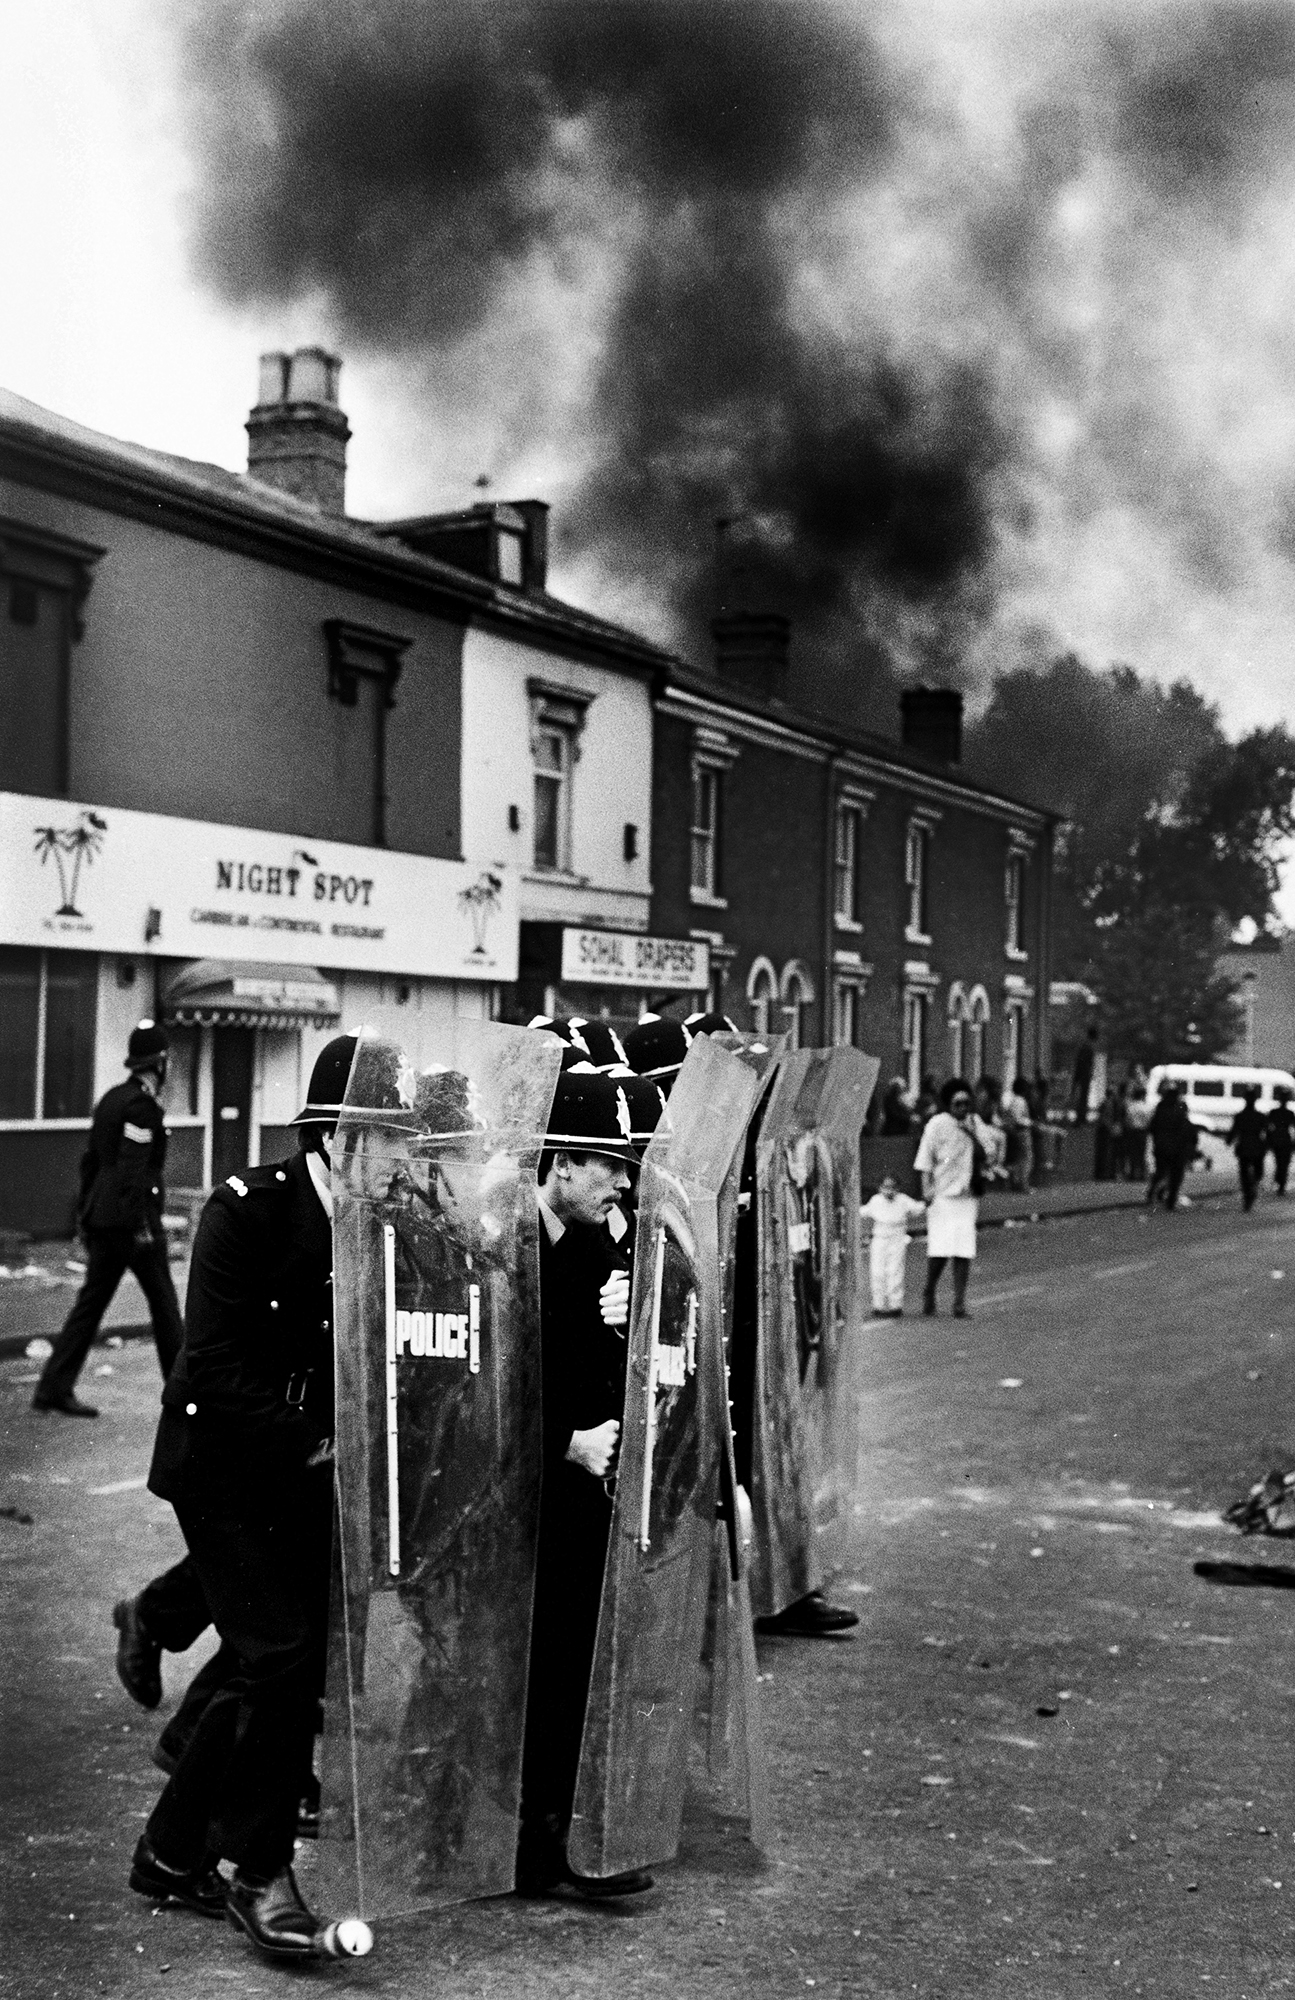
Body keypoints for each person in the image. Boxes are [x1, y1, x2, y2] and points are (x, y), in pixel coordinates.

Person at [129, 1034, 355, 1961]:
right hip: (224, 1470)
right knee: (283, 1656)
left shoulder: (383, 1224)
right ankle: (258, 1875)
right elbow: (212, 1363)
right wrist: (315, 1438)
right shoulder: (247, 1211)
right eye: (388, 1144)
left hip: (309, 1475)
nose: (405, 1163)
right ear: (336, 1137)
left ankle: (171, 1852)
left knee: (261, 1665)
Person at [517, 1067, 652, 1901]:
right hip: (520, 1488)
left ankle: (553, 1837)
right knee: (528, 1664)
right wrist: (562, 1441)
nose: (622, 1180)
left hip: (578, 1491)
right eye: (606, 1162)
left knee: (570, 1658)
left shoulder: (599, 1234)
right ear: (559, 1162)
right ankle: (526, 1845)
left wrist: (632, 1317)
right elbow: (471, 1385)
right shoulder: (499, 1239)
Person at [33, 1021, 183, 1417]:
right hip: (133, 1226)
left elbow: (91, 1164)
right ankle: (186, 1397)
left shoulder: (112, 1100)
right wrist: (142, 1227)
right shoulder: (141, 1108)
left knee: (90, 1306)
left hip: (103, 1221)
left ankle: (53, 1387)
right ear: (160, 1063)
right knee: (166, 1308)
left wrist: (85, 1216)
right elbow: (133, 1172)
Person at [913, 1079, 1003, 1318]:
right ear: (948, 1104)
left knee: (963, 1250)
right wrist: (926, 1190)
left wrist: (974, 1134)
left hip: (967, 1196)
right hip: (942, 1196)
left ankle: (959, 1302)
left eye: (966, 1103)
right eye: (958, 1103)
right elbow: (924, 1159)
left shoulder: (975, 1123)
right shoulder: (937, 1124)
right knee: (940, 1251)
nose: (963, 1108)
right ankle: (930, 1290)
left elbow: (990, 1153)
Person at [861, 1173, 926, 1316]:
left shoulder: (903, 1200)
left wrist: (928, 1200)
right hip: (880, 1238)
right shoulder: (876, 1200)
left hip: (897, 1237)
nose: (889, 1191)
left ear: (898, 1188)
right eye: (885, 1187)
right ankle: (878, 1305)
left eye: (892, 1187)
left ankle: (895, 1305)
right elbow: (863, 1212)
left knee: (895, 1271)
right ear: (880, 1188)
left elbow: (918, 1208)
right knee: (877, 1272)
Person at [1146, 1081, 1195, 1211]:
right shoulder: (1180, 1108)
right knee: (1175, 1175)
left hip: (1162, 1147)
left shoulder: (1161, 1107)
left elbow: (1153, 1127)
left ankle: (1153, 1193)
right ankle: (1170, 1201)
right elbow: (1185, 1127)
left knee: (1161, 1172)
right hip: (1177, 1148)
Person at [1228, 1084, 1269, 1213]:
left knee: (1245, 1174)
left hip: (1245, 1147)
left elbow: (1234, 1131)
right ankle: (1251, 1192)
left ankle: (1248, 1195)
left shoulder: (1240, 1116)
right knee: (1256, 1173)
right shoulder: (1260, 1116)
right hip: (1256, 1147)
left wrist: (1229, 1141)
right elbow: (1268, 1132)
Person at [1001, 1075, 1034, 1192]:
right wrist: (1030, 1123)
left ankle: (1015, 1183)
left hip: (1015, 1132)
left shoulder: (1013, 1101)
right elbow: (1018, 1119)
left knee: (1018, 1159)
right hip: (1022, 1132)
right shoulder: (1020, 1101)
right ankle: (1023, 1185)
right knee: (1026, 1159)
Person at [1069, 1024, 1099, 1123]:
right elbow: (1083, 1061)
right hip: (1083, 1073)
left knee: (1083, 1096)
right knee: (1082, 1096)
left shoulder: (1086, 1045)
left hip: (1083, 1073)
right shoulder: (1088, 1046)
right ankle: (1080, 1118)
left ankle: (1081, 1117)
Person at [1269, 1086, 1295, 1196]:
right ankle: (1281, 1184)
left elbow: (1268, 1127)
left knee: (1279, 1162)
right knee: (1284, 1164)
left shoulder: (1274, 1112)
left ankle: (1280, 1182)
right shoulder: (1289, 1113)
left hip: (1277, 1139)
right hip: (1285, 1140)